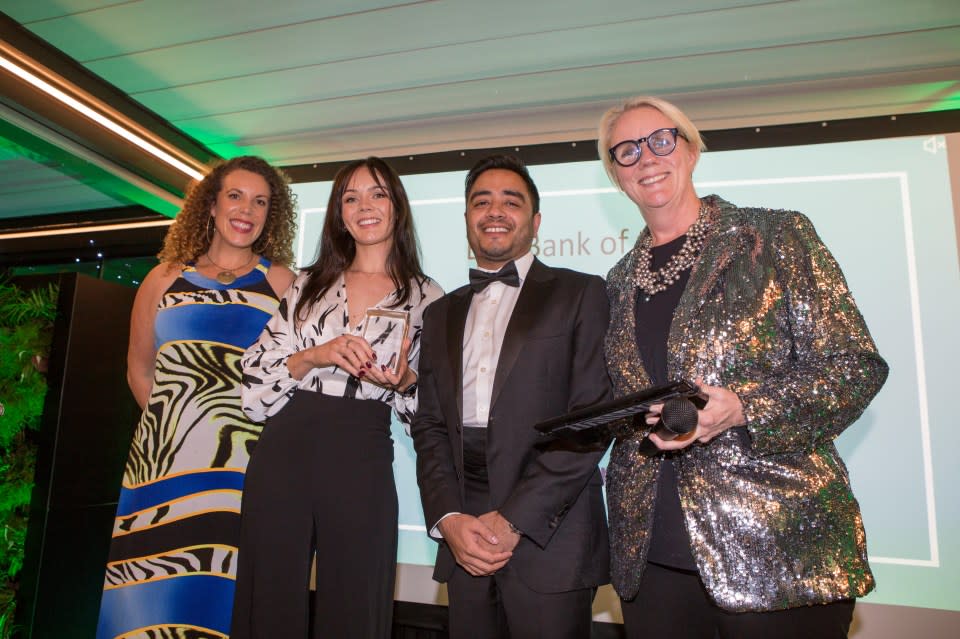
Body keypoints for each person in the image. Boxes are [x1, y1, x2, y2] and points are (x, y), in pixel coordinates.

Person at [597, 96, 889, 638]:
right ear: (615, 174)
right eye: (627, 151)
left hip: (778, 552)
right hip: (652, 563)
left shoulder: (774, 237)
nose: (646, 159)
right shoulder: (613, 285)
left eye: (661, 140)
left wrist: (745, 409)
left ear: (690, 149)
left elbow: (855, 367)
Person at [231, 157, 442, 638]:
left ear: (398, 207)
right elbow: (252, 390)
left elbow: (431, 412)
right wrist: (315, 355)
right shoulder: (307, 284)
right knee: (269, 597)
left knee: (356, 599)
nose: (364, 206)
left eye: (377, 194)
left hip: (362, 449)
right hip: (286, 444)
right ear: (339, 214)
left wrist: (405, 381)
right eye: (351, 197)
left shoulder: (429, 297)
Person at [96, 156, 298, 639]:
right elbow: (139, 370)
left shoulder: (283, 283)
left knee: (216, 601)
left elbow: (291, 378)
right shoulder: (163, 278)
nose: (246, 209)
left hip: (238, 474)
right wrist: (179, 431)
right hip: (159, 469)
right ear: (210, 205)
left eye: (261, 201)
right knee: (143, 601)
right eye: (235, 195)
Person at [411, 154, 612, 639]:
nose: (494, 211)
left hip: (551, 528)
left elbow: (591, 420)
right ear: (466, 219)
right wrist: (449, 518)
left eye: (511, 201)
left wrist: (515, 519)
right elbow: (430, 427)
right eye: (481, 202)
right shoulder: (439, 313)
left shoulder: (582, 292)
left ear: (536, 220)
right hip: (463, 530)